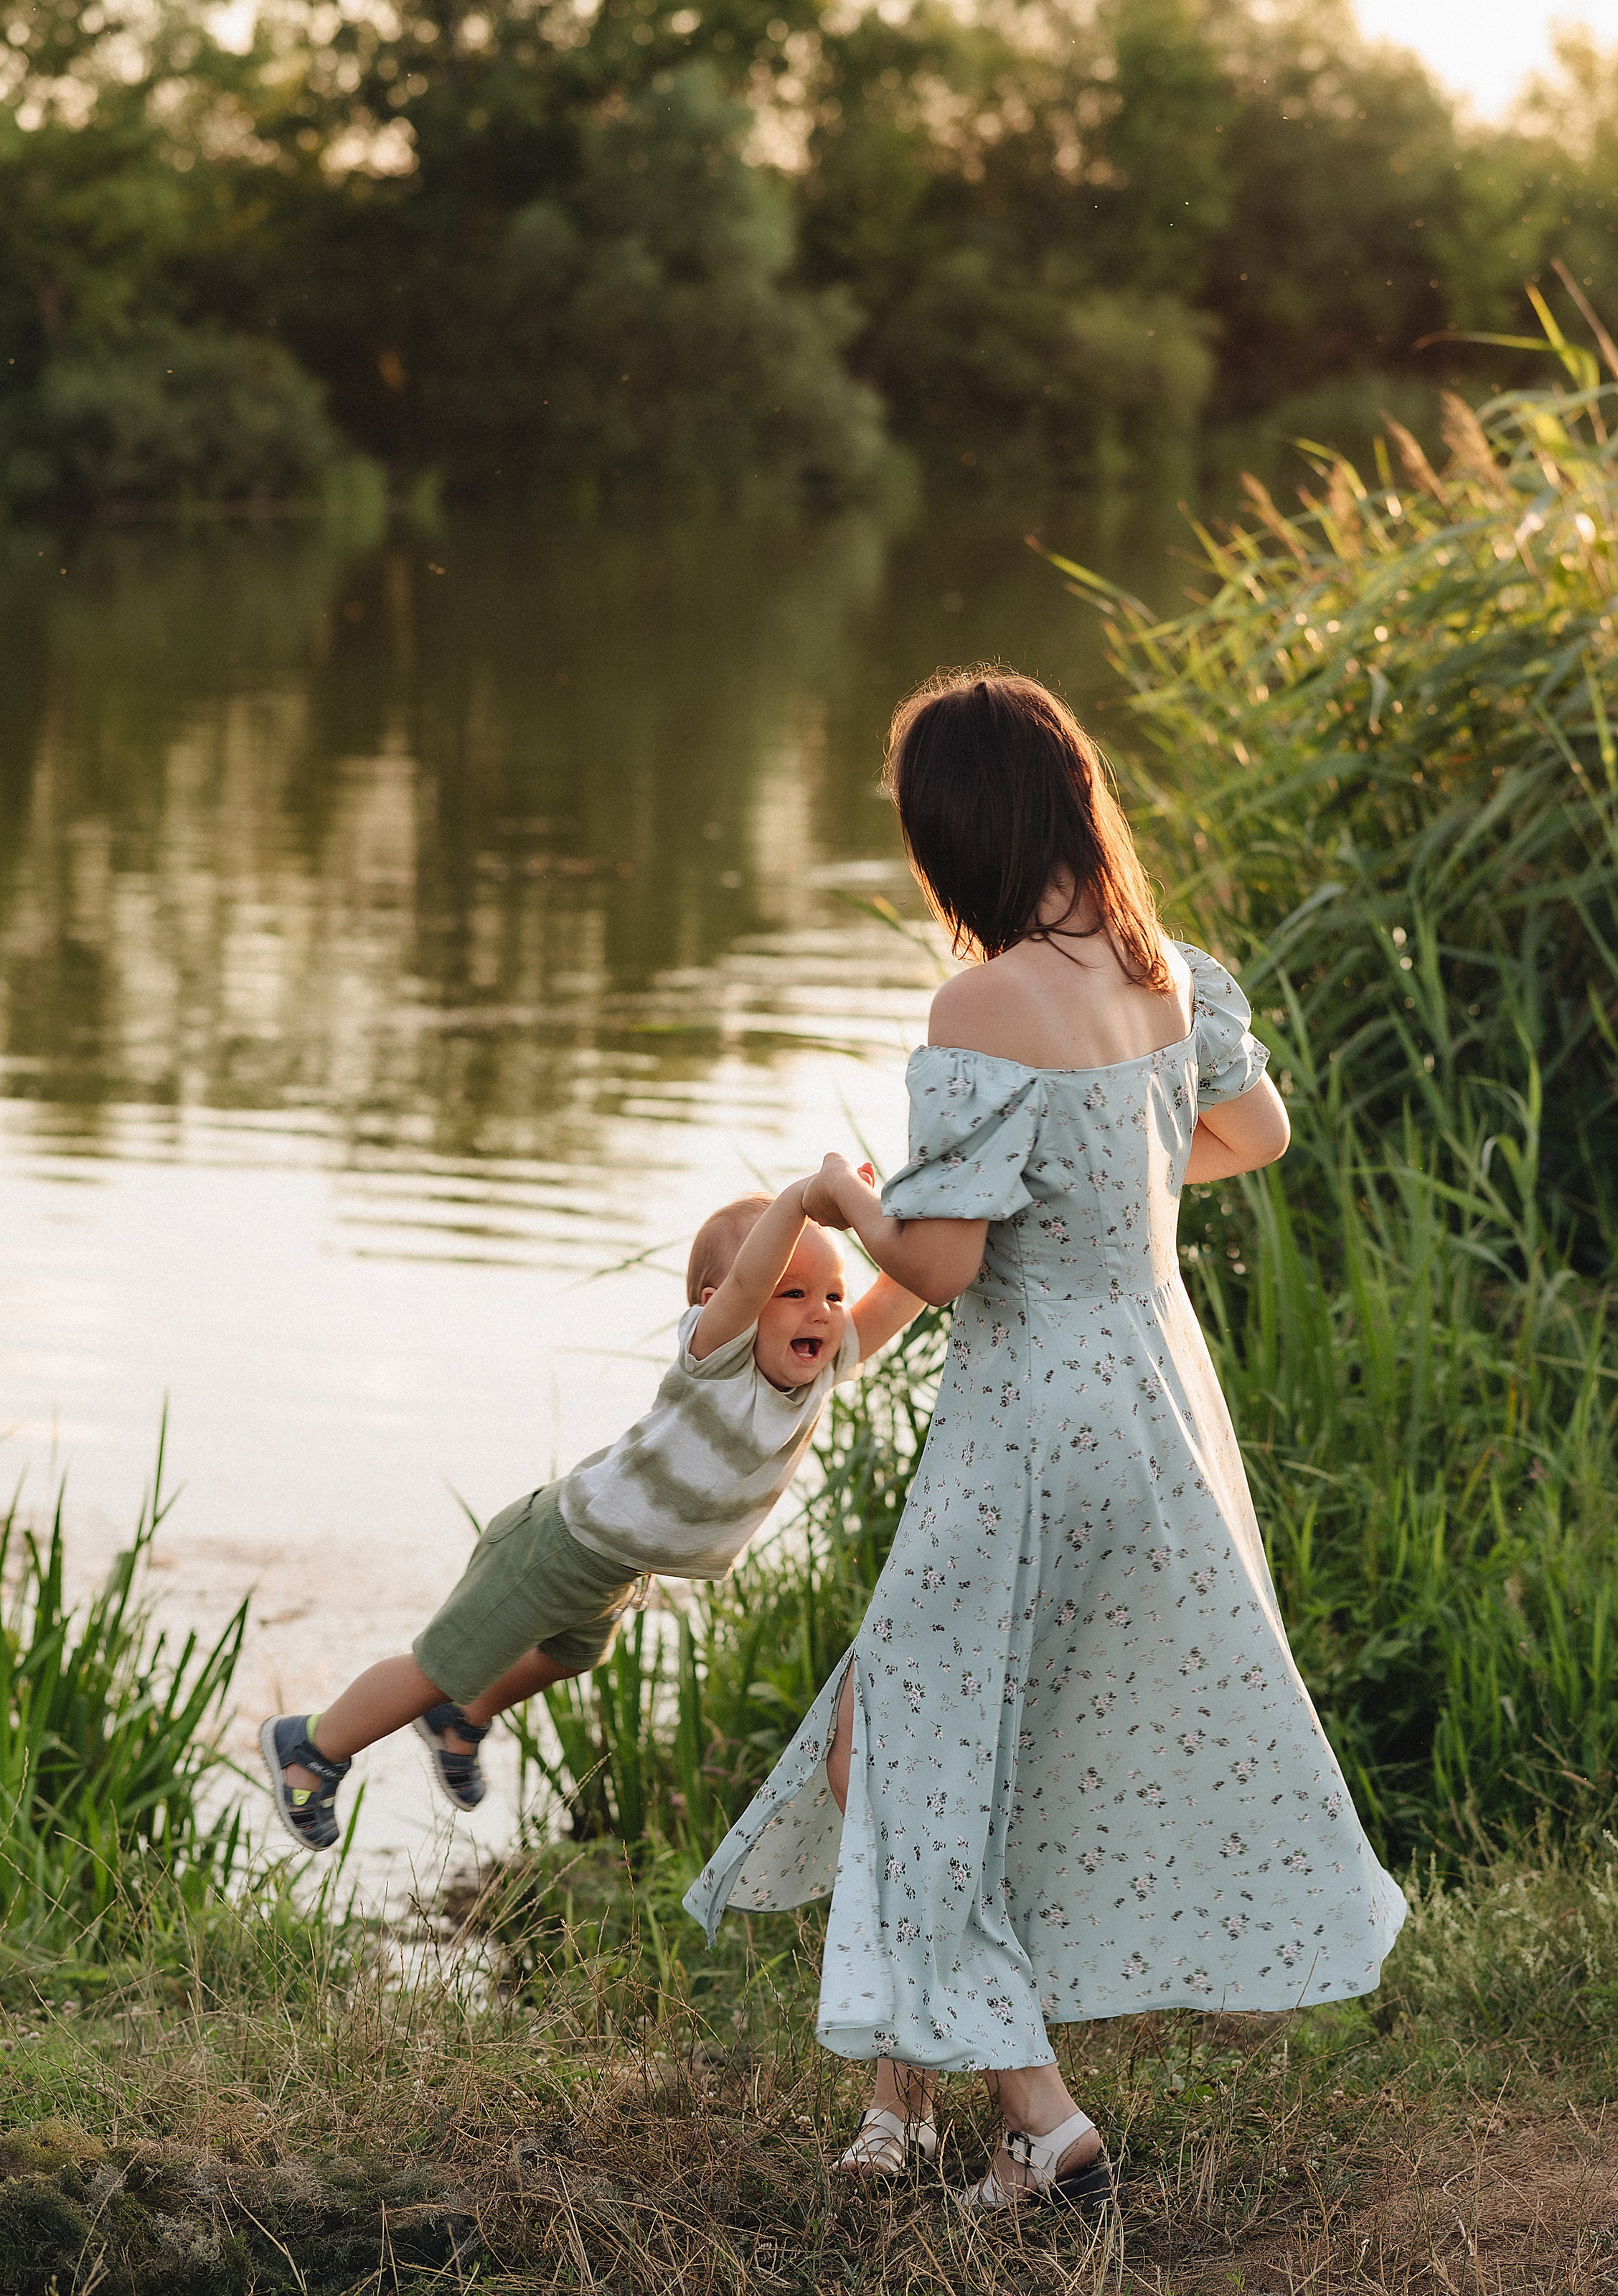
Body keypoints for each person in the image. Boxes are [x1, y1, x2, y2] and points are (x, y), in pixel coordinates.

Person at [685, 668, 1407, 2214]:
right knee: (941, 1723)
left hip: (1027, 1410)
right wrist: (1106, 1188)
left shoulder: (979, 1003)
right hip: (1152, 1384)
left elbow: (942, 1265)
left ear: (961, 832)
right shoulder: (1165, 972)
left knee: (919, 1734)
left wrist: (836, 1199)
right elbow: (1252, 1134)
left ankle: (1041, 2118)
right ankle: (920, 2105)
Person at [260, 1184, 923, 1850]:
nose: (823, 1313)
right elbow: (752, 1275)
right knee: (438, 1664)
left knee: (573, 1657)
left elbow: (903, 1291)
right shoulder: (716, 1359)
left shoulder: (821, 1371)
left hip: (612, 1568)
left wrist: (953, 1206)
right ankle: (311, 1748)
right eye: (794, 1293)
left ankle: (461, 1718)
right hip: (557, 1548)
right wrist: (806, 1199)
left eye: (834, 1296)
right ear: (721, 1307)